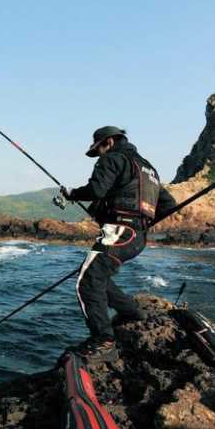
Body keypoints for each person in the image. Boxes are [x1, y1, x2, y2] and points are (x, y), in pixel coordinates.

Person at [60, 126, 176, 364]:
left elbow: (96, 189)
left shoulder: (113, 158)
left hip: (120, 232)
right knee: (99, 276)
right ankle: (132, 312)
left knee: (88, 280)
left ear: (109, 142)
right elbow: (168, 205)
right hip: (137, 238)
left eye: (99, 149)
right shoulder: (148, 169)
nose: (100, 154)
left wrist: (71, 193)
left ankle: (104, 342)